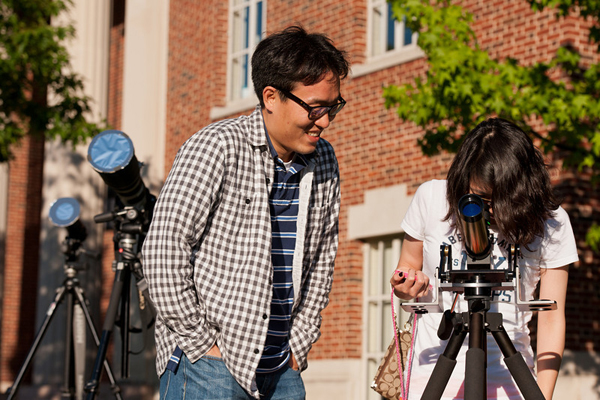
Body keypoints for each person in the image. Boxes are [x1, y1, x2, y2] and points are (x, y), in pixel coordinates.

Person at [141, 25, 349, 400]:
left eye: (332, 107)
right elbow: (162, 250)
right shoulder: (216, 147)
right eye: (315, 108)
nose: (325, 121)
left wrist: (298, 346)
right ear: (271, 97)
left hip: (282, 369)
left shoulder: (325, 160)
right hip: (207, 367)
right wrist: (202, 345)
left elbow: (321, 261)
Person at [390, 118, 578, 400]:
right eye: (477, 197)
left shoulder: (551, 222)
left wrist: (543, 394)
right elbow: (407, 266)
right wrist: (406, 283)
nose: (487, 210)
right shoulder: (431, 198)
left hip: (510, 378)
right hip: (432, 373)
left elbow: (551, 315)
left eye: (498, 199)